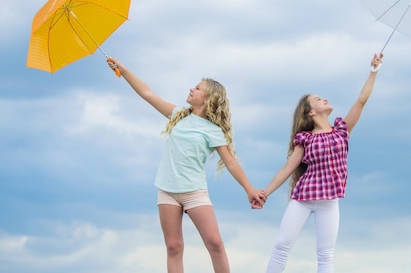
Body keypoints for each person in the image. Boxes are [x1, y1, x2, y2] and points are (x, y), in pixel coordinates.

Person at [107, 58, 266, 273]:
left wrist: (249, 189)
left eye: (197, 88)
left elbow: (230, 162)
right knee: (173, 247)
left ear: (208, 99)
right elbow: (148, 94)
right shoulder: (178, 115)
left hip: (194, 192)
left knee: (215, 244)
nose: (192, 89)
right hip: (167, 190)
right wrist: (123, 71)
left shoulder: (213, 130)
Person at [258, 53, 383, 273]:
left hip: (329, 202)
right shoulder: (305, 138)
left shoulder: (341, 131)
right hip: (303, 198)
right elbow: (289, 168)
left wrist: (373, 71)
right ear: (311, 112)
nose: (324, 99)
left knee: (325, 255)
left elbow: (361, 101)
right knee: (282, 245)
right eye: (318, 99)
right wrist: (265, 192)